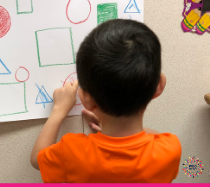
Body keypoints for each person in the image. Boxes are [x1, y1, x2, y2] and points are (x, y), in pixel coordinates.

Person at [30, 19, 182, 183]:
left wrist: (59, 110)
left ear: (85, 99)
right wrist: (115, 128)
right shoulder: (170, 149)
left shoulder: (71, 151)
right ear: (159, 86)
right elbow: (157, 138)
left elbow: (38, 159)